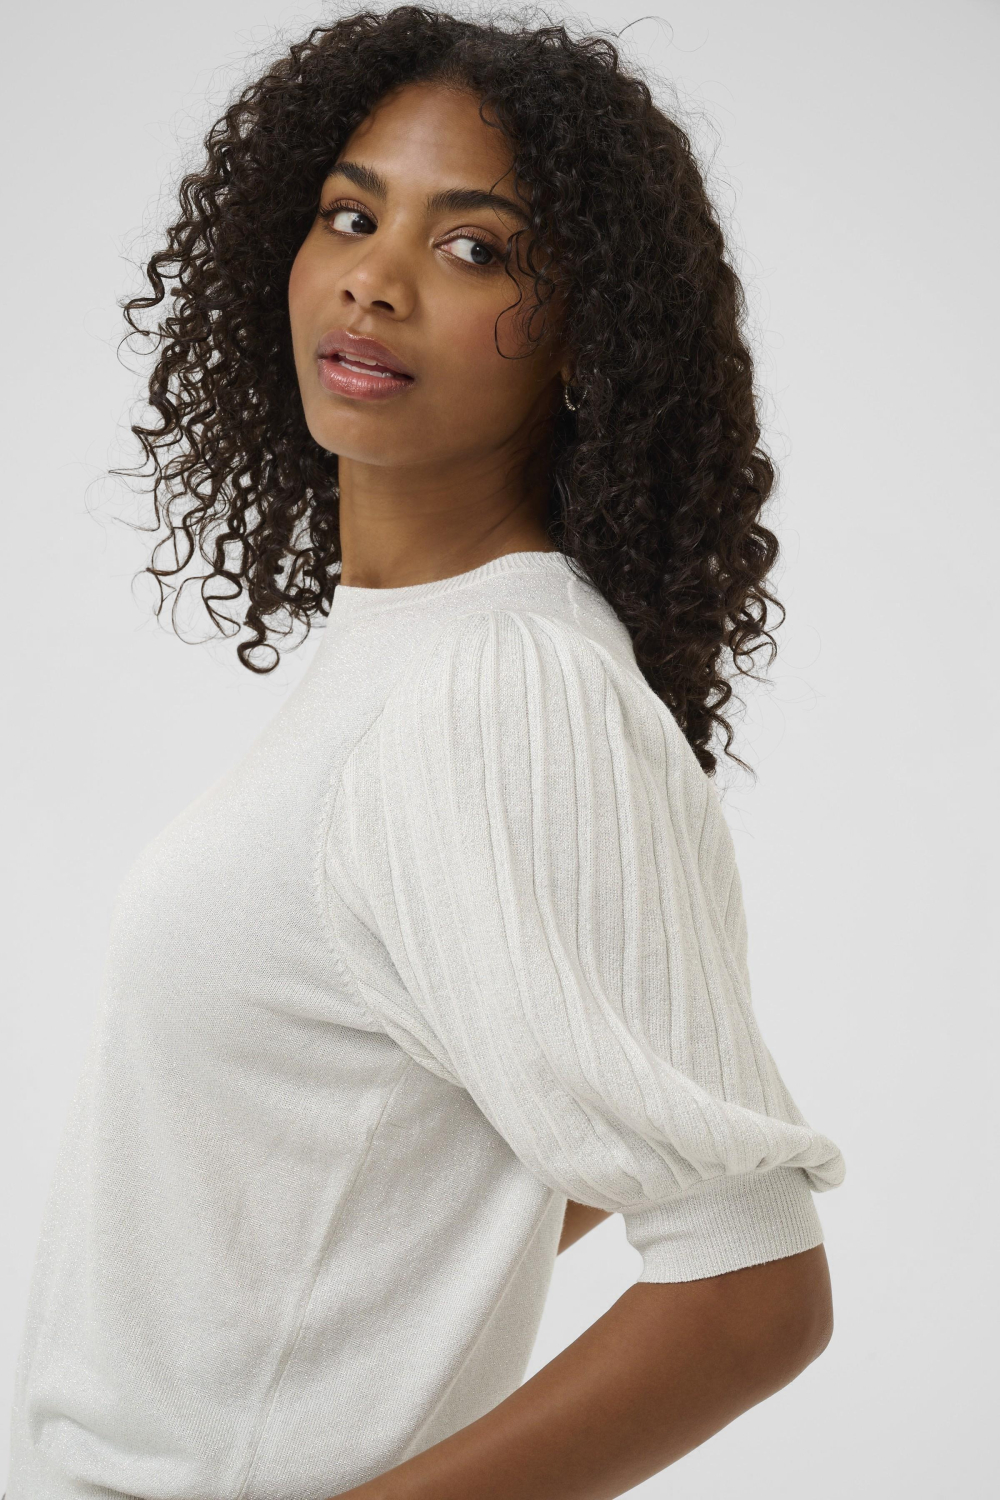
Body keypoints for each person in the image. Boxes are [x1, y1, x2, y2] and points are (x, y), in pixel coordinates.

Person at [5, 8, 846, 1499]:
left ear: (586, 334)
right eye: (350, 215)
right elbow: (484, 1138)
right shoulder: (412, 655)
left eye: (474, 249)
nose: (374, 281)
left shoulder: (502, 686)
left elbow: (748, 1294)